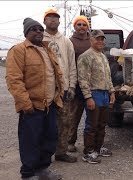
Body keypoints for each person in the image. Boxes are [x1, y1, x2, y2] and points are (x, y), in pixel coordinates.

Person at [6, 17, 63, 180]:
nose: (38, 31)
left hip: (50, 105)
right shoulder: (18, 50)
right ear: (26, 33)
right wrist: (25, 103)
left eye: (40, 29)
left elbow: (56, 75)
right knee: (30, 141)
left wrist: (59, 95)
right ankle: (28, 173)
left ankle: (42, 169)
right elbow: (14, 79)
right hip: (32, 106)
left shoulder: (47, 49)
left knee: (50, 138)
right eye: (34, 29)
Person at [43, 9, 77, 163]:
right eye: (49, 17)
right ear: (44, 21)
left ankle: (61, 152)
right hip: (45, 89)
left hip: (63, 89)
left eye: (56, 18)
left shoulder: (66, 41)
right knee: (44, 123)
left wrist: (71, 86)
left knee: (64, 122)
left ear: (59, 21)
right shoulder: (39, 38)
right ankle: (43, 155)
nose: (53, 20)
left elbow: (71, 64)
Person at [78, 29, 116, 164]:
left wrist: (112, 92)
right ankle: (88, 152)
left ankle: (98, 148)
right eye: (97, 39)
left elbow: (108, 77)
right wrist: (88, 97)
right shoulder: (85, 56)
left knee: (102, 124)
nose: (100, 41)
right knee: (92, 125)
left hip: (105, 94)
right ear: (91, 40)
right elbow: (82, 79)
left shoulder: (103, 55)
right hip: (94, 94)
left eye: (102, 39)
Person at [68, 15, 91, 152]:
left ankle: (90, 144)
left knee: (92, 116)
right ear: (75, 26)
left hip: (91, 83)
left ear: (87, 26)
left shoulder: (92, 40)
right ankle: (70, 142)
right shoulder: (70, 42)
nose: (81, 27)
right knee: (74, 115)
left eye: (84, 24)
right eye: (79, 24)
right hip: (76, 83)